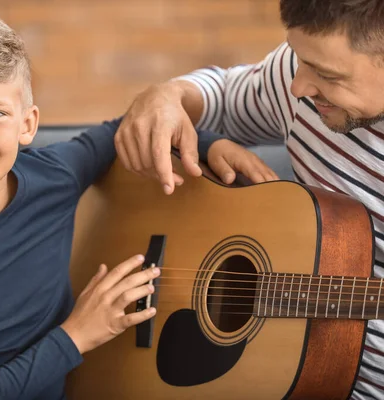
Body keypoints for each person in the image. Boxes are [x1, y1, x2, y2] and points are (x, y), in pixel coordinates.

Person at [0, 10, 276, 400]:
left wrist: (210, 143)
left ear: (27, 124)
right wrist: (78, 335)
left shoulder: (54, 177)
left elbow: (130, 127)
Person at [115, 0, 384, 398]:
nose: (299, 87)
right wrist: (166, 96)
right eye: (298, 58)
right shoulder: (298, 79)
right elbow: (222, 95)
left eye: (327, 75)